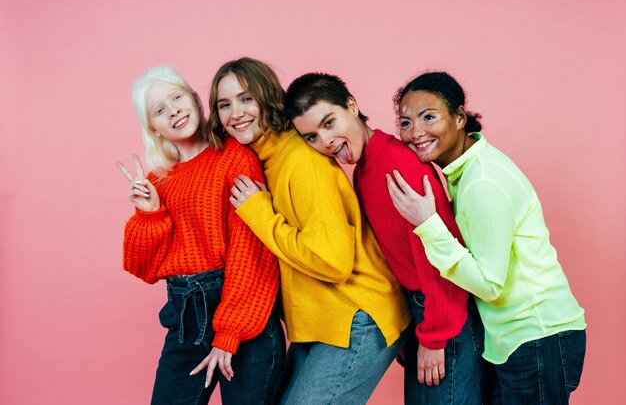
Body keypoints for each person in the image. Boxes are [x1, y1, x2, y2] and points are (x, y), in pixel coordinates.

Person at [202, 57, 411, 405]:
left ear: (268, 97)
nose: (235, 112)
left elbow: (333, 261)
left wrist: (261, 215)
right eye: (224, 104)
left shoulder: (301, 161)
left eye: (246, 98)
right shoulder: (265, 158)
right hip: (319, 322)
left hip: (355, 316)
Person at [284, 72, 485, 404]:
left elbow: (440, 255)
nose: (326, 140)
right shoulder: (365, 168)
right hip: (424, 310)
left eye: (330, 122)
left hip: (445, 315)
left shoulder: (397, 166)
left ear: (352, 106)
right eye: (312, 136)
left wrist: (434, 338)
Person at [386, 71, 586, 404]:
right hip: (520, 340)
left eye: (429, 117)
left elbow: (490, 285)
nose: (416, 132)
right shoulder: (464, 172)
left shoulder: (482, 183)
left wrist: (428, 224)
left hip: (537, 337)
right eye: (406, 122)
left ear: (460, 117)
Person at [115, 66, 284, 405]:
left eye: (177, 97)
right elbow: (144, 269)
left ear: (194, 98)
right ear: (153, 127)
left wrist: (230, 332)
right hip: (185, 320)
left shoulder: (236, 157)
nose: (174, 110)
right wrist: (149, 215)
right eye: (160, 110)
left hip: (243, 315)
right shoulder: (158, 179)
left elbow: (250, 252)